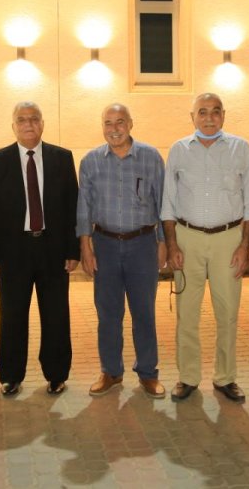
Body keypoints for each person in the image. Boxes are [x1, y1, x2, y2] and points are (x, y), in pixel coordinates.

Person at [160, 92, 249, 402]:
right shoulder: (179, 150)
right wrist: (172, 244)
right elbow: (168, 203)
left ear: (223, 115)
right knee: (187, 314)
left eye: (215, 111)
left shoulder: (240, 149)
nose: (209, 117)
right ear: (192, 117)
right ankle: (188, 377)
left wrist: (245, 246)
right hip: (187, 238)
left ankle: (225, 377)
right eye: (202, 112)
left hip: (228, 240)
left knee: (227, 313)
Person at [0, 101, 79, 396]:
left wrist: (73, 250)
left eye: (34, 119)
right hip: (13, 252)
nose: (28, 124)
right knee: (12, 316)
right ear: (13, 126)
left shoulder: (62, 158)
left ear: (42, 124)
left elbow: (72, 207)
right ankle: (11, 376)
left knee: (56, 315)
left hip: (53, 250)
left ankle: (57, 374)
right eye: (22, 119)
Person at [76, 103, 167, 399]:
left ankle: (148, 373)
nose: (114, 129)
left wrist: (164, 243)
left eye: (120, 122)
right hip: (104, 245)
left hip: (143, 244)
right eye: (108, 123)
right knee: (108, 313)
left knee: (144, 312)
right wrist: (85, 246)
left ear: (130, 123)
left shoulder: (151, 157)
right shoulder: (91, 161)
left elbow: (163, 203)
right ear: (102, 126)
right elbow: (84, 208)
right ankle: (111, 372)